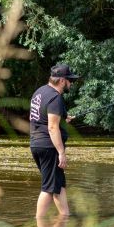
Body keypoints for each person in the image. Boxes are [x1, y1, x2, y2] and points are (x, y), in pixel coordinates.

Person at [30, 63, 79, 217]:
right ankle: (39, 226)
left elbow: (43, 117)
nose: (71, 83)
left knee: (58, 184)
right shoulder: (55, 97)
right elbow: (52, 127)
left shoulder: (40, 92)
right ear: (62, 81)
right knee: (49, 188)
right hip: (49, 147)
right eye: (70, 80)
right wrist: (61, 152)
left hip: (37, 143)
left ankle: (65, 217)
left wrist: (64, 117)